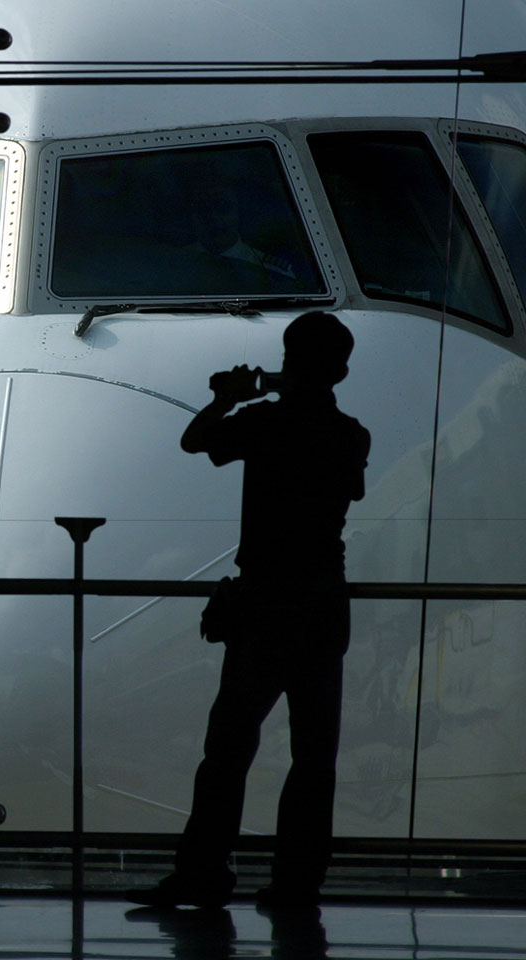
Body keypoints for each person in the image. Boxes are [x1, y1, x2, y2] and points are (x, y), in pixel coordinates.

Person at [132, 310, 370, 912]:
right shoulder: (350, 435)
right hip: (321, 604)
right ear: (341, 371)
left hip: (263, 603)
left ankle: (203, 872)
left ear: (287, 362)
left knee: (228, 750)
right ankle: (297, 883)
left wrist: (228, 397)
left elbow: (195, 441)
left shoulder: (263, 424)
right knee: (314, 757)